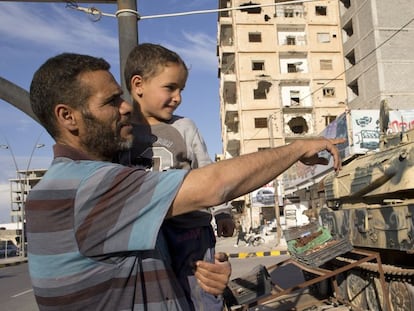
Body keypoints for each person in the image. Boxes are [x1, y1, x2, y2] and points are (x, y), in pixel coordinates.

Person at [26, 52, 344, 311]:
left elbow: (139, 271)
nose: (125, 107)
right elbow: (213, 185)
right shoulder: (91, 186)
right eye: (111, 102)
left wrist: (205, 277)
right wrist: (297, 148)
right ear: (68, 117)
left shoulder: (73, 185)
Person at [122, 43, 233, 310]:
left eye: (181, 89)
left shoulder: (184, 127)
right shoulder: (120, 132)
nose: (178, 97)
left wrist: (223, 211)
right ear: (138, 85)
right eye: (170, 88)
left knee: (204, 294)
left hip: (191, 230)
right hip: (148, 236)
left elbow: (207, 173)